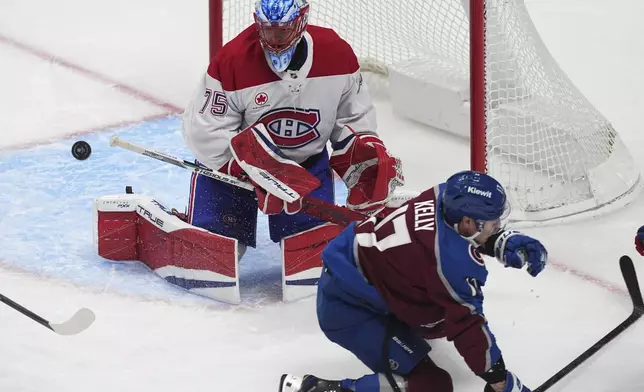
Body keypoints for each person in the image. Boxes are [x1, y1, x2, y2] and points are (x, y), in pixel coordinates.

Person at [179, 0, 403, 300]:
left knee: (310, 260)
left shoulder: (336, 54)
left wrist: (362, 157)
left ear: (301, 21)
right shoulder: (232, 60)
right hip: (238, 169)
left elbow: (351, 118)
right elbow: (204, 130)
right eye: (267, 31)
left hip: (305, 169)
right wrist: (250, 172)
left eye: (282, 32)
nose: (273, 41)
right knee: (215, 258)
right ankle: (216, 227)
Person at [279, 170, 548, 392]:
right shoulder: (451, 264)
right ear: (468, 222)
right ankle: (317, 388)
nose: (498, 226)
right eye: (492, 224)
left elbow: (442, 242)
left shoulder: (443, 194)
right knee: (432, 385)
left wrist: (496, 242)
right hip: (348, 308)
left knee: (437, 320)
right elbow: (467, 326)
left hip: (357, 271)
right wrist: (499, 380)